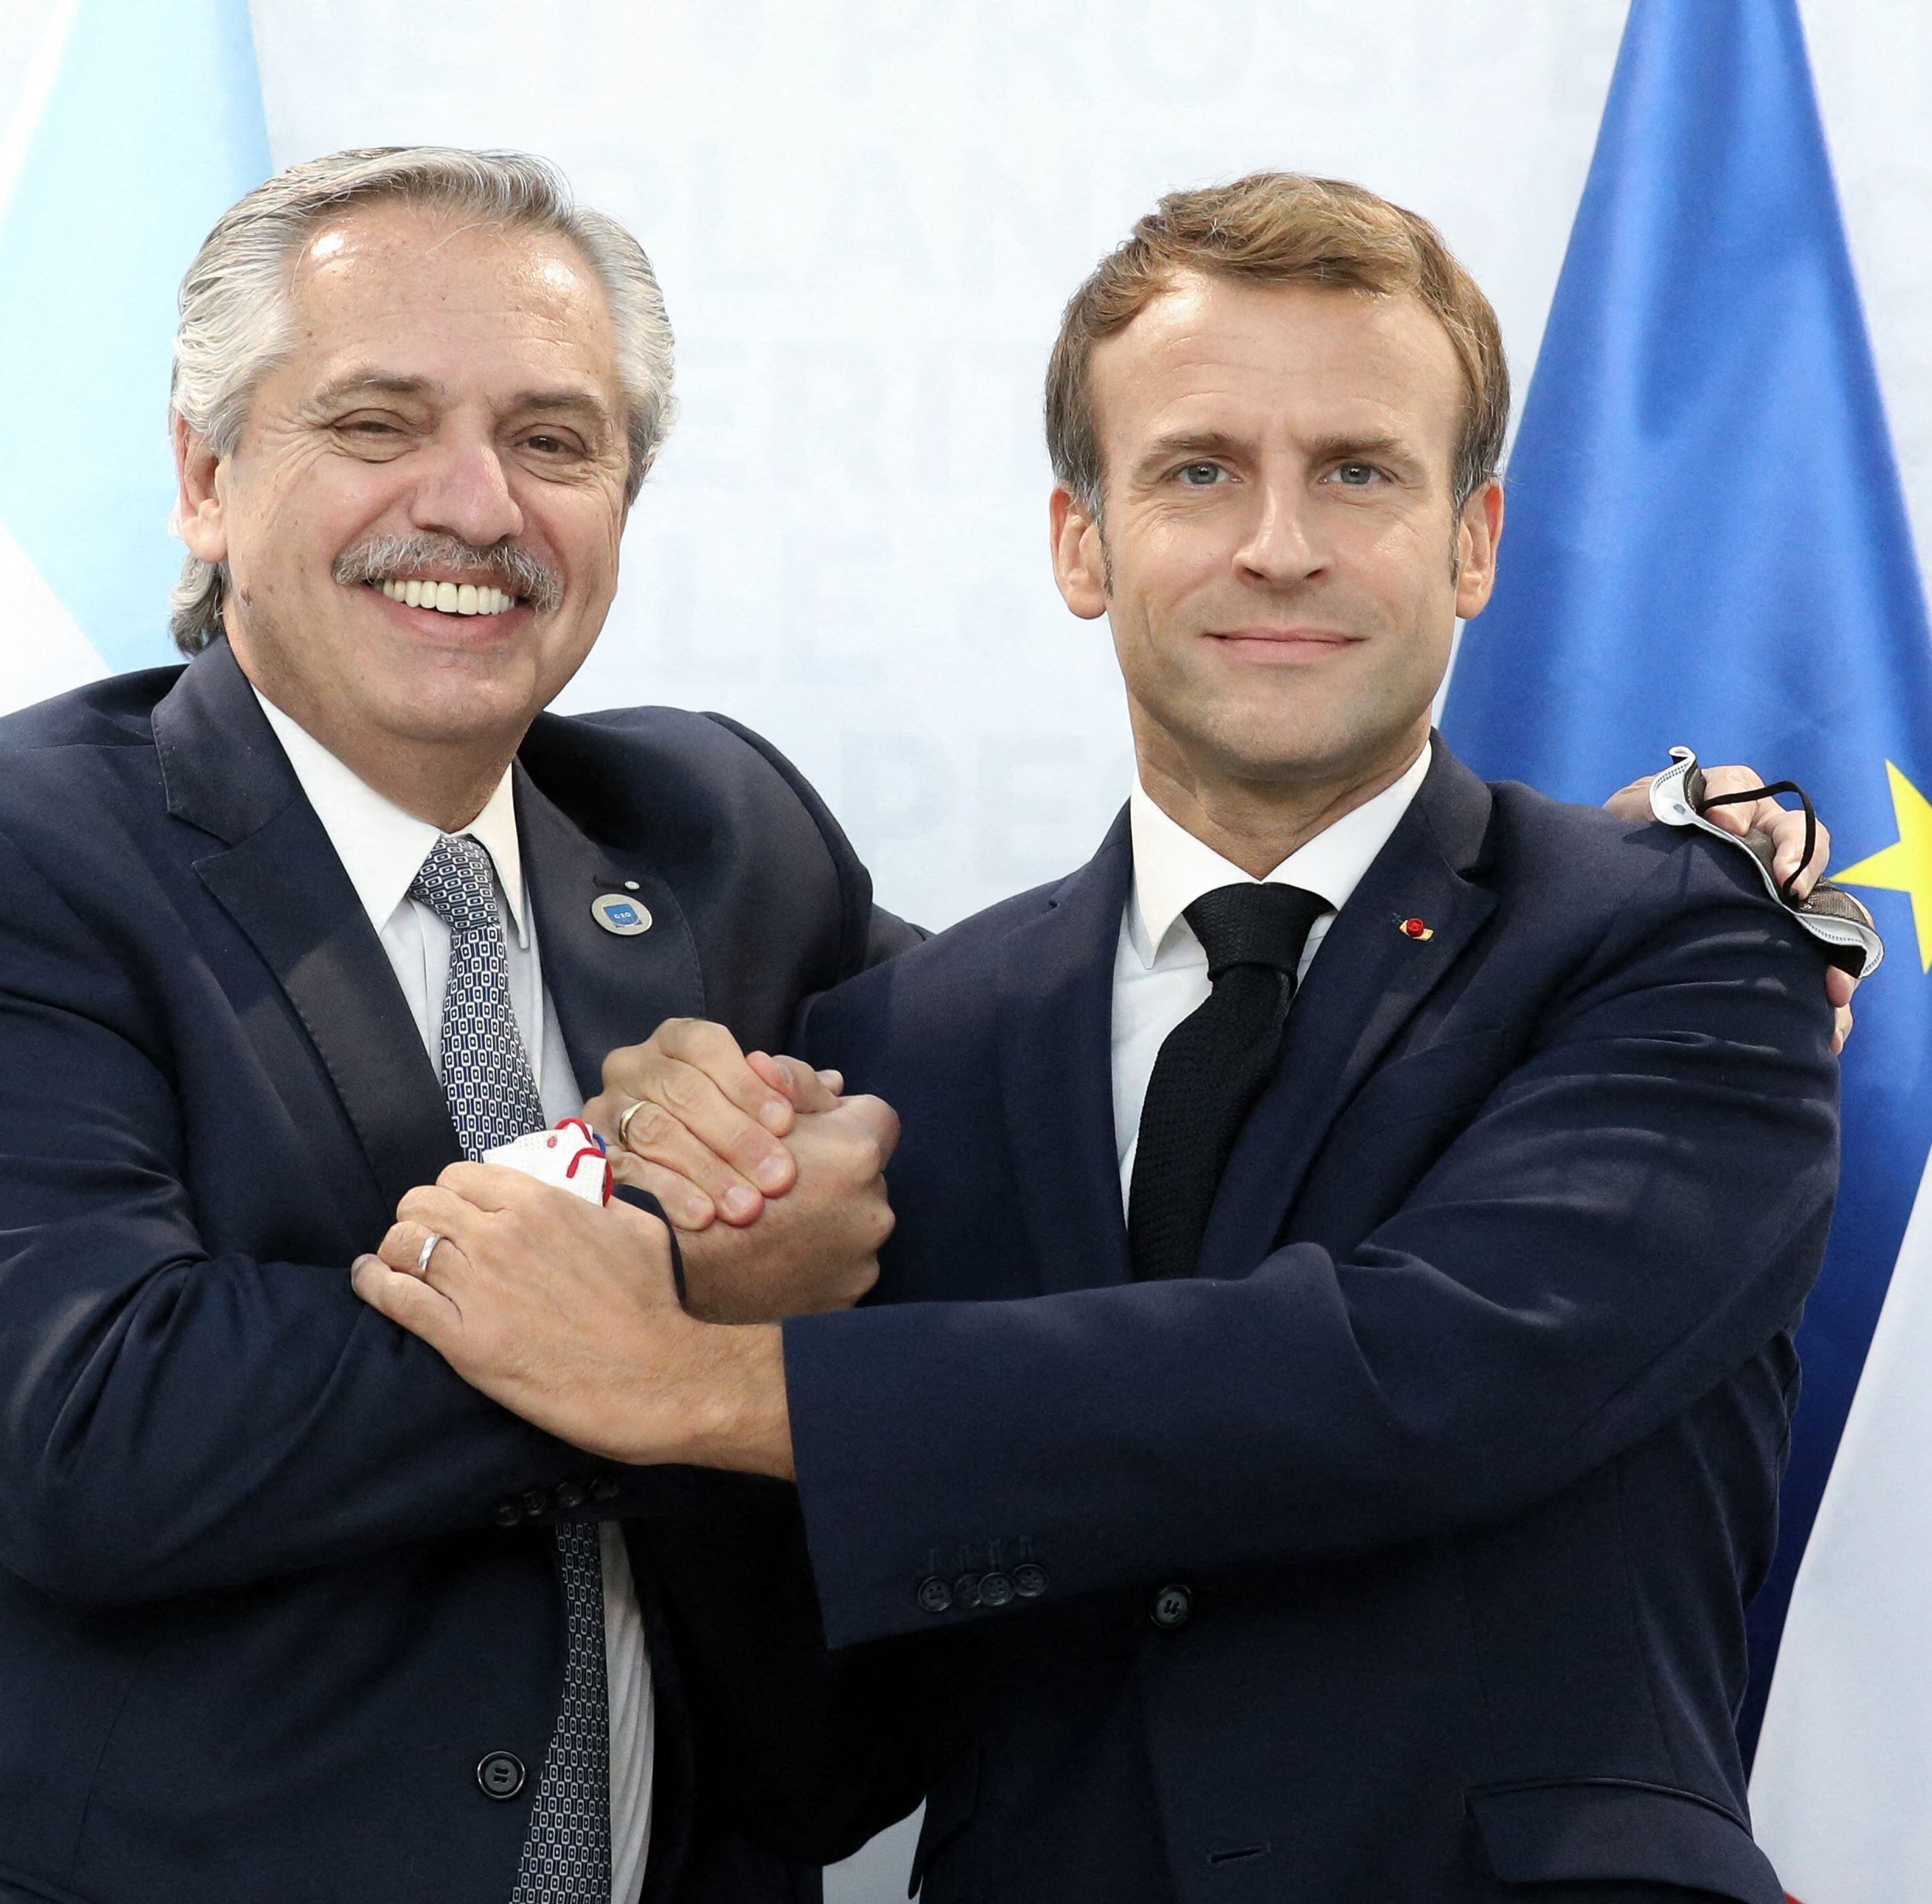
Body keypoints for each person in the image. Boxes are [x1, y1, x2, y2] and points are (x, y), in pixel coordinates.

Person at [362, 172, 1847, 1904]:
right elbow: (817, 1753)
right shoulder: (905, 1040)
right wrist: (721, 1300)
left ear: (1474, 540)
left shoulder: (1680, 938)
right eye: (1197, 468)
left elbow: (1413, 1379)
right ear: (1080, 539)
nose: (1276, 540)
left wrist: (697, 1380)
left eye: (1356, 471)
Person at [0, 147, 911, 1904]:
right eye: (379, 425)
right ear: (205, 478)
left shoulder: (721, 838)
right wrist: (664, 1247)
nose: (474, 504)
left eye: (553, 441)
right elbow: (100, 1441)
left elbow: (1051, 1078)